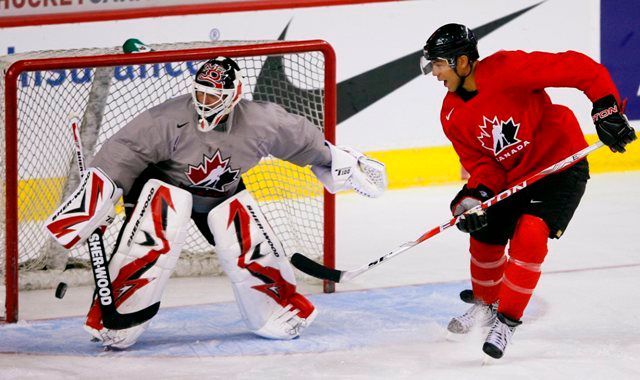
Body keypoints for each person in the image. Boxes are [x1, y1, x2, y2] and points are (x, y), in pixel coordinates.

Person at [44, 56, 387, 349]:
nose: (205, 102)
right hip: (165, 186)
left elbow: (304, 142)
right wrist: (94, 204)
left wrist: (343, 162)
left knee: (247, 237)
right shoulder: (166, 119)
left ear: (234, 95)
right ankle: (117, 317)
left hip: (221, 193)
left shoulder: (262, 122)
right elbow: (121, 156)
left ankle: (273, 308)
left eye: (214, 96)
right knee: (154, 237)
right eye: (201, 93)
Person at [420, 23, 636, 359]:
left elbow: (582, 69)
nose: (434, 74)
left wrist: (604, 109)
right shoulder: (450, 114)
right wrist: (472, 199)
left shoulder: (508, 69)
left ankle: (506, 321)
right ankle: (485, 306)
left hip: (560, 167)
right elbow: (485, 166)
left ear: (462, 62)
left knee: (531, 232)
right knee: (485, 233)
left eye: (438, 65)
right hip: (513, 176)